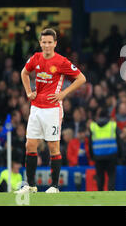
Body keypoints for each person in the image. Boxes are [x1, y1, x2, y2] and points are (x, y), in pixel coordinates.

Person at [17, 28, 86, 194]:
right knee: (30, 145)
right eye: (44, 42)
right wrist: (28, 92)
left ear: (55, 44)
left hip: (53, 110)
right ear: (40, 43)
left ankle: (54, 186)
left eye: (50, 42)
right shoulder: (36, 57)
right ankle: (31, 185)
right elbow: (24, 72)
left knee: (53, 147)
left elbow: (81, 78)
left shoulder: (62, 61)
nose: (47, 45)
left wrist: (63, 93)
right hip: (36, 107)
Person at [89, 111, 119, 191]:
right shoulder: (113, 125)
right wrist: (119, 155)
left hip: (98, 156)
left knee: (99, 176)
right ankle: (111, 192)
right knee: (111, 175)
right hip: (111, 155)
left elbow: (90, 143)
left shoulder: (93, 126)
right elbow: (118, 141)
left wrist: (92, 156)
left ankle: (100, 192)